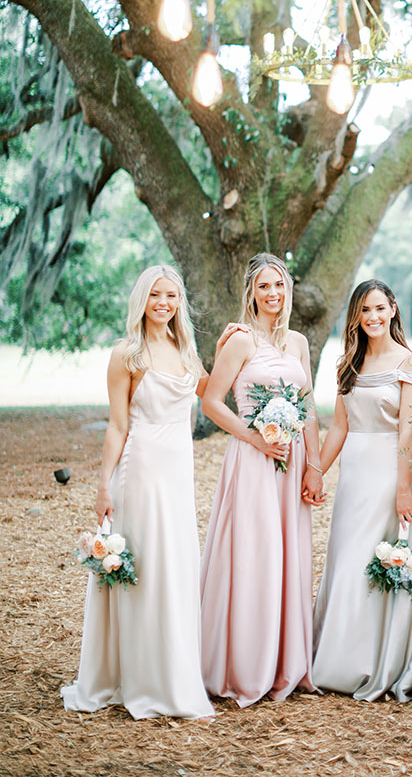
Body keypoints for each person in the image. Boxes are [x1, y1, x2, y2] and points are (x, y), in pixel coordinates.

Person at [62, 265, 214, 720]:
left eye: (171, 295)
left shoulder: (186, 350)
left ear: (179, 302)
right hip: (141, 466)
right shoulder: (126, 353)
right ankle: (135, 674)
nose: (163, 303)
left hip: (177, 471)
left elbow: (213, 391)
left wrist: (235, 343)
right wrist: (103, 485)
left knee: (174, 563)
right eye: (155, 296)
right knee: (143, 564)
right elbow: (118, 424)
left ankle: (171, 670)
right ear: (142, 301)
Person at [200, 253, 323, 706]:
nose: (274, 294)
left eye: (280, 286)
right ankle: (246, 664)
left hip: (291, 470)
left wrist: (314, 465)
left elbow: (308, 407)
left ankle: (286, 664)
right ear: (251, 292)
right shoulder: (239, 340)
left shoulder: (298, 342)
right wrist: (255, 438)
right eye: (265, 286)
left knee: (288, 555)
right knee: (255, 554)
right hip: (253, 462)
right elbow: (212, 402)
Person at [312, 280, 412, 701]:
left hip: (388, 473)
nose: (373, 317)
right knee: (345, 559)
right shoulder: (349, 361)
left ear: (393, 309)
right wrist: (316, 471)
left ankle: (371, 662)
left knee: (371, 561)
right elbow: (340, 426)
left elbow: (408, 430)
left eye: (380, 308)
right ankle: (333, 658)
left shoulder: (410, 363)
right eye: (365, 311)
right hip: (354, 475)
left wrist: (402, 488)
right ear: (356, 317)